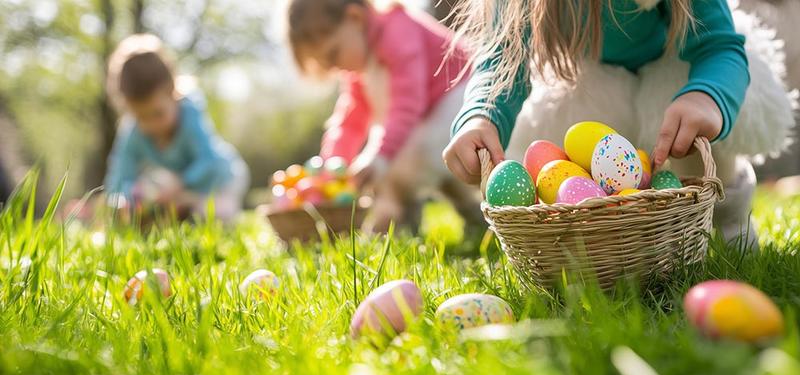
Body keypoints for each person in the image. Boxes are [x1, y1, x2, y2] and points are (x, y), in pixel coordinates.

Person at [443, 0, 796, 247]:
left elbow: (717, 45)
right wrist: (481, 117)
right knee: (571, 137)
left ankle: (731, 221)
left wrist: (706, 96)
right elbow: (502, 61)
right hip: (594, 76)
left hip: (680, 59)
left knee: (689, 130)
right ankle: (621, 242)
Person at [287, 0, 482, 232]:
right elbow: (351, 121)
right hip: (431, 113)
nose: (335, 66)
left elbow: (407, 104)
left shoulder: (397, 31)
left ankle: (397, 221)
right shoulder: (359, 67)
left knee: (408, 163)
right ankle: (475, 217)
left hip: (464, 96)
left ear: (355, 18)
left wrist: (379, 156)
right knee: (423, 160)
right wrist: (333, 168)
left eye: (333, 54)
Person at [104, 34, 249, 223]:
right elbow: (119, 175)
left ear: (172, 92)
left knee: (214, 214)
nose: (151, 124)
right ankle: (184, 211)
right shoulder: (133, 130)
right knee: (157, 205)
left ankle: (203, 210)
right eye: (141, 117)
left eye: (158, 113)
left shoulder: (189, 113)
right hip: (179, 193)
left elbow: (209, 161)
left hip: (222, 180)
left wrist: (181, 183)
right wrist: (124, 199)